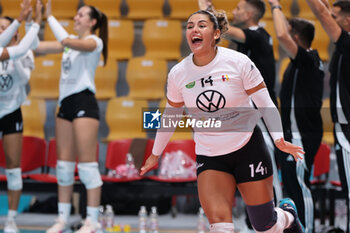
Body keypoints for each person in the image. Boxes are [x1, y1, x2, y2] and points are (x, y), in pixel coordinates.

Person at [141, 9, 305, 233]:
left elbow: (265, 103)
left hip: (248, 148)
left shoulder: (238, 62)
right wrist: (155, 154)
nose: (194, 30)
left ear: (216, 33)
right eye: (190, 26)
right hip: (210, 156)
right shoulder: (178, 73)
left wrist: (279, 140)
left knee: (265, 226)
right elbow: (171, 116)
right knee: (220, 227)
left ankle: (288, 215)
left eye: (201, 25)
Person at [34, 0, 108, 232]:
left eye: (81, 15)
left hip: (84, 102)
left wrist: (50, 17)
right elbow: (35, 46)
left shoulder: (94, 41)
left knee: (87, 167)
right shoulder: (68, 45)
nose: (76, 18)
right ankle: (62, 219)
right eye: (76, 15)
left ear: (93, 22)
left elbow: (67, 41)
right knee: (64, 167)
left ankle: (92, 221)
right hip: (64, 105)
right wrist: (32, 21)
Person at [269, 1, 324, 232]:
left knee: (300, 186)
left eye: (291, 33)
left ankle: (308, 228)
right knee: (290, 185)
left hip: (302, 135)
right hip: (292, 135)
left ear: (296, 37)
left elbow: (281, 34)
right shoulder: (297, 63)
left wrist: (275, 6)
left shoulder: (309, 59)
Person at [305, 0, 350, 232]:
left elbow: (321, 13)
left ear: (348, 20)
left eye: (336, 16)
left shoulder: (348, 42)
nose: (331, 19)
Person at [0, 0, 42, 232]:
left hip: (11, 111)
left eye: (3, 27)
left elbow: (24, 79)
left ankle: (11, 219)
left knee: (14, 167)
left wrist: (13, 57)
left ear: (14, 32)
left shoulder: (23, 53)